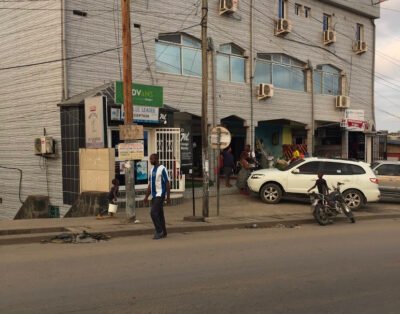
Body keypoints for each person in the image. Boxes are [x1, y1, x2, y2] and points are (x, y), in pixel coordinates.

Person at [144, 154, 171, 240]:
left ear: (156, 159)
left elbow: (167, 183)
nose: (150, 161)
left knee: (153, 213)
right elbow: (150, 185)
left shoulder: (162, 168)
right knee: (159, 214)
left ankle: (159, 231)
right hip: (154, 195)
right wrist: (146, 197)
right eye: (150, 159)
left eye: (151, 159)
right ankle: (164, 232)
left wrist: (168, 196)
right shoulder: (151, 170)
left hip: (160, 194)